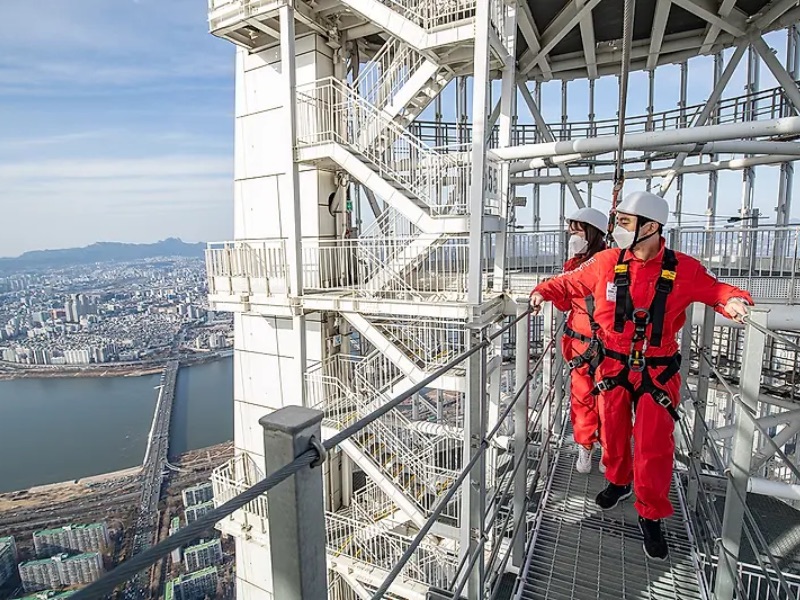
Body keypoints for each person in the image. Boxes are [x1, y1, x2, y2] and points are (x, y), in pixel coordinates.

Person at [529, 191, 753, 561]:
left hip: (657, 368)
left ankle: (651, 515)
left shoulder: (682, 268)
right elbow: (570, 283)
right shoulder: (604, 263)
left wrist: (733, 301)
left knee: (653, 446)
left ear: (651, 227)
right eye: (618, 222)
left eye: (626, 223)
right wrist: (541, 291)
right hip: (612, 363)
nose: (617, 229)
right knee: (613, 432)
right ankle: (618, 482)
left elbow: (715, 290)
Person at [553, 208, 608, 474]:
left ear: (592, 233)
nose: (572, 236)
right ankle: (586, 446)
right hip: (582, 344)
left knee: (608, 402)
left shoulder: (612, 262)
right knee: (583, 399)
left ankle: (608, 451)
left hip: (605, 343)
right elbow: (564, 303)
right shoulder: (573, 265)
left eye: (577, 230)